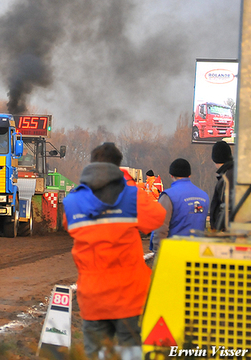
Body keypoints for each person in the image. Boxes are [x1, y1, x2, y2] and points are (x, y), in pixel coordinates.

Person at [62, 142, 166, 359]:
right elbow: (157, 217)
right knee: (131, 352)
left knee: (97, 353)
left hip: (92, 297)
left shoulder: (73, 201)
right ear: (118, 166)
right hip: (129, 295)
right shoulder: (132, 197)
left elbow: (68, 224)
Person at [150, 159, 209, 254]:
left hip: (174, 253)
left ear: (171, 175)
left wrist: (158, 251)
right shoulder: (204, 196)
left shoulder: (168, 196)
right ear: (189, 175)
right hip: (197, 253)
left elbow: (161, 228)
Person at [210, 141, 234, 231]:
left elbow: (225, 207)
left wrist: (217, 228)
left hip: (225, 231)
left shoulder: (226, 178)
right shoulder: (234, 173)